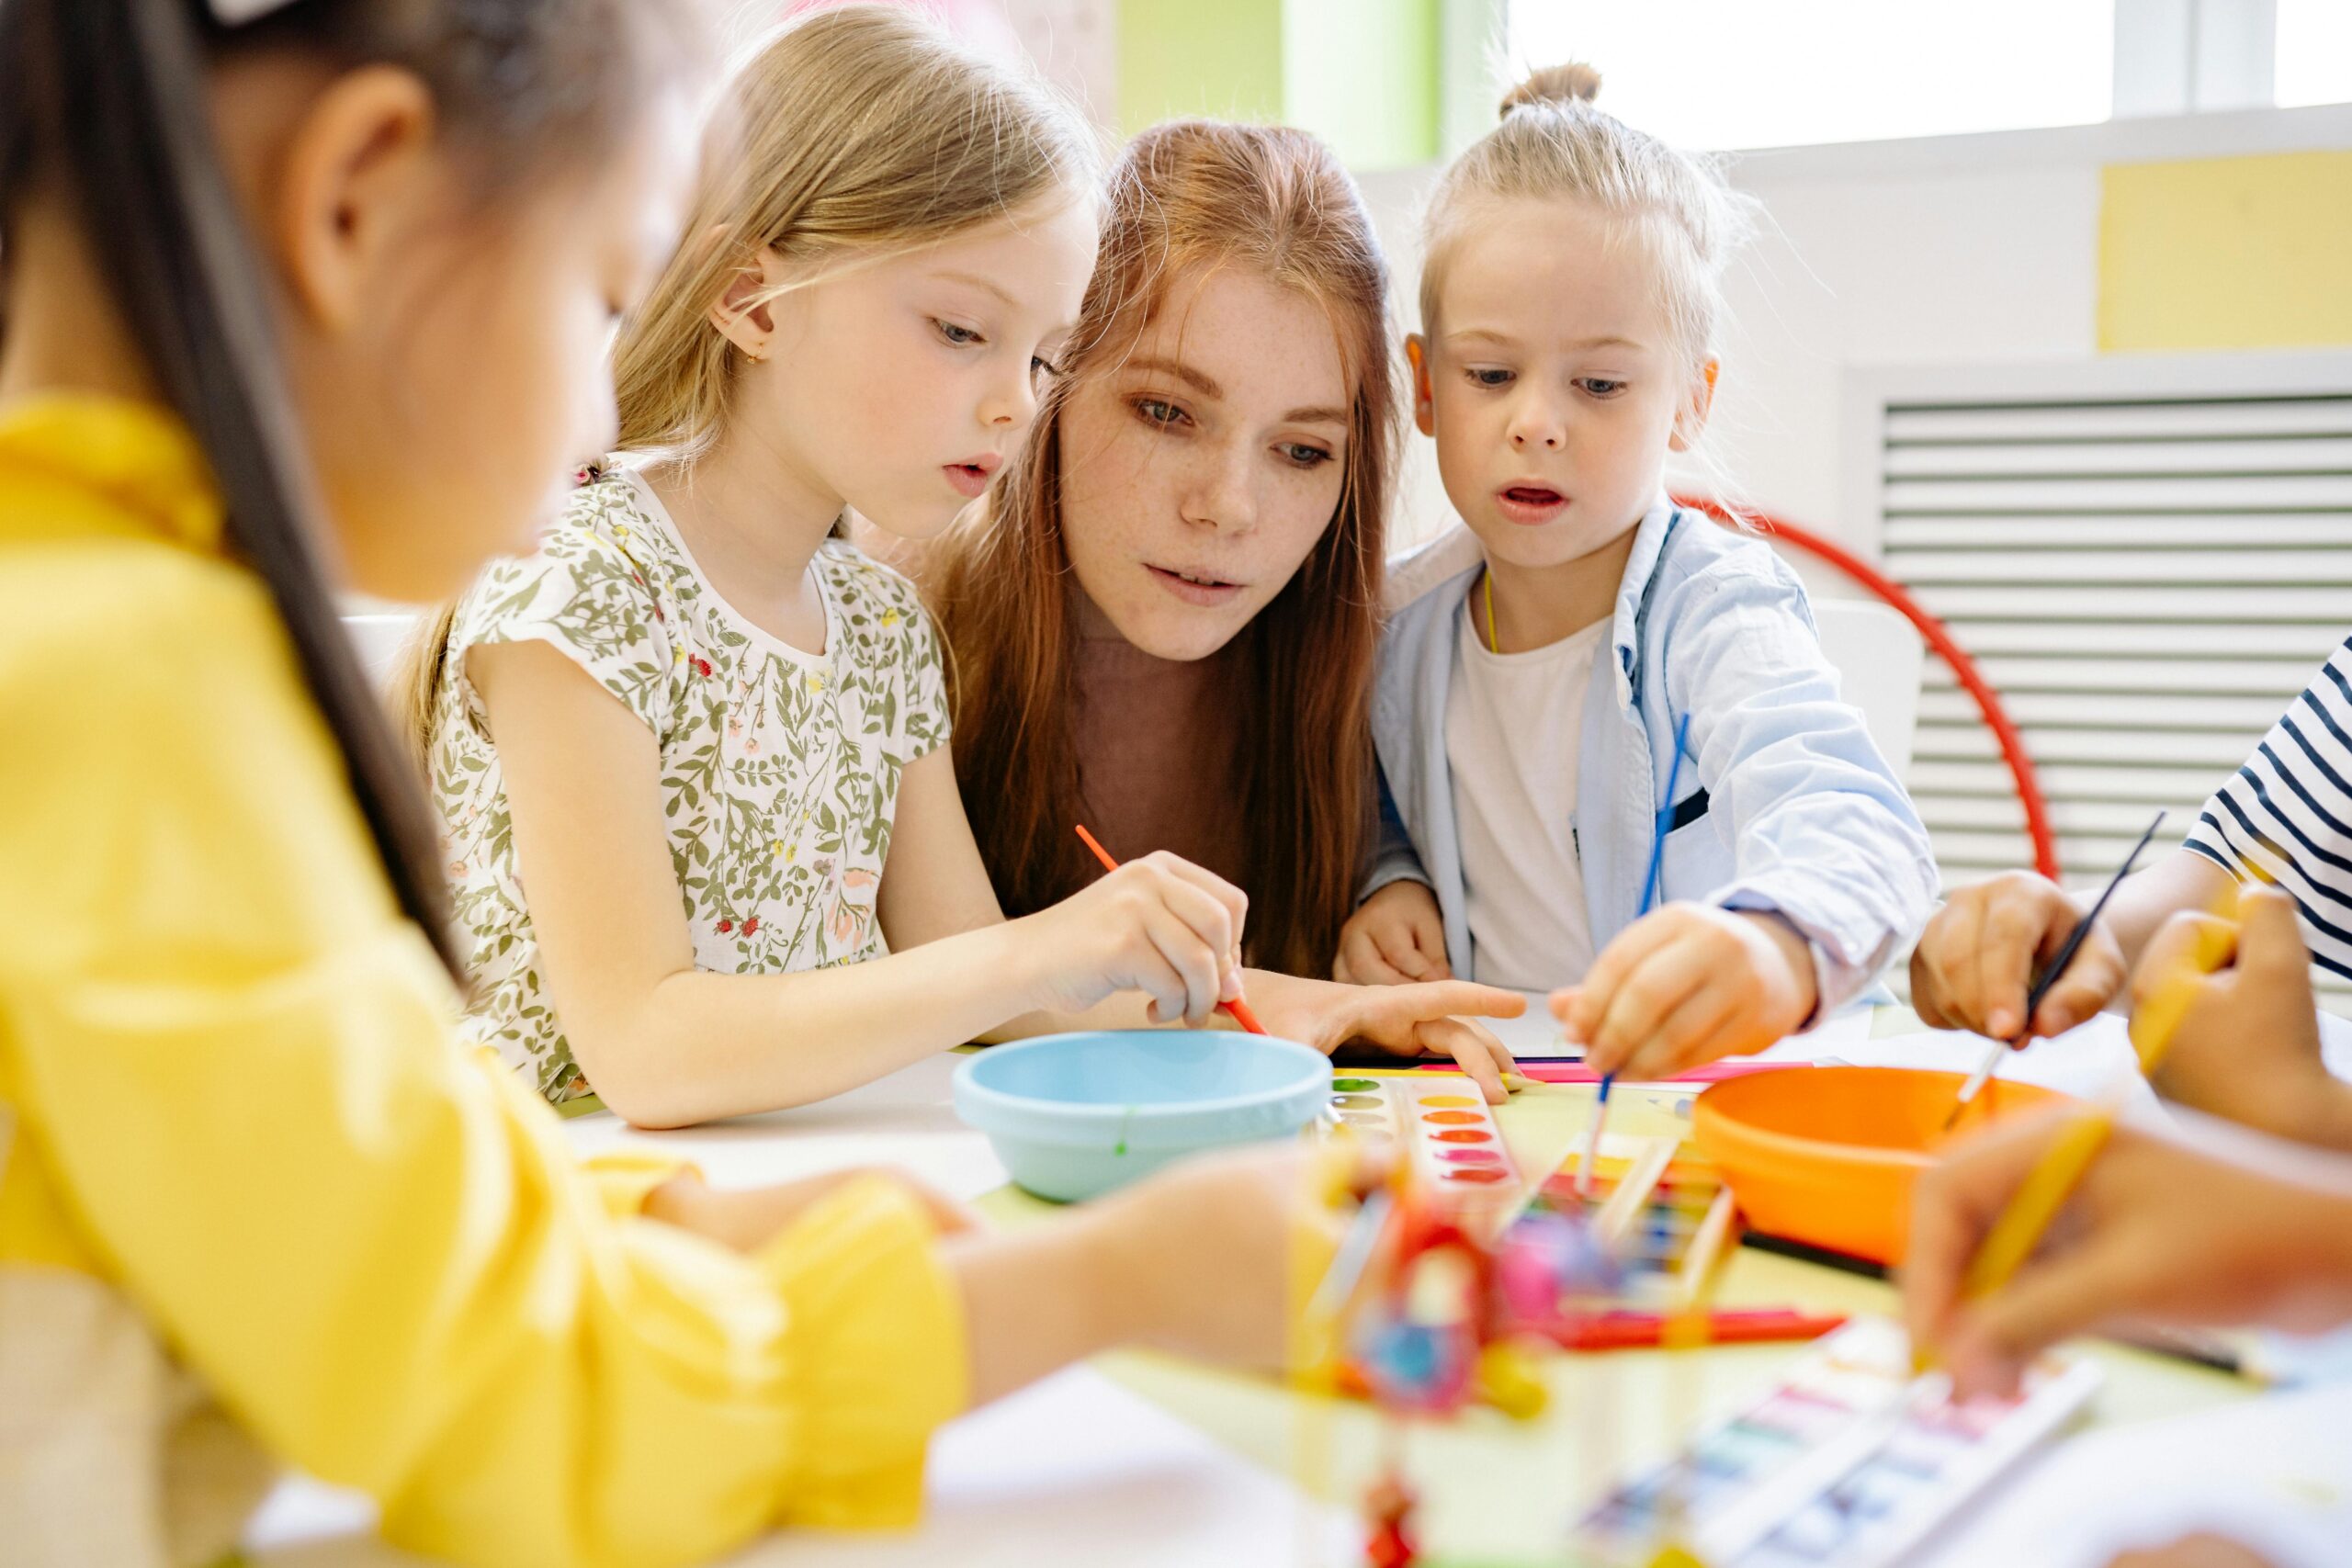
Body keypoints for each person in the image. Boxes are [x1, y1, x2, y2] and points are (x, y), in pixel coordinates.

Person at [0, 3, 1371, 1562]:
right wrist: (1101, 1284)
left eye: (1042, 354)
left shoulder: (112, 647)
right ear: (354, 198)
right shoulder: (129, 697)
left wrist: (660, 1219)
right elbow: (528, 1399)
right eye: (599, 295)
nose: (600, 407)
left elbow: (342, 1177)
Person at [1340, 64, 1934, 1081]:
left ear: (1687, 403)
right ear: (1426, 386)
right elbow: (1374, 799)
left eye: (1600, 383)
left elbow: (1859, 829)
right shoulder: (1394, 621)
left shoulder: (1716, 611)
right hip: (1505, 1086)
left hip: (1701, 1092)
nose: (1535, 421)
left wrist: (1772, 943)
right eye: (1490, 375)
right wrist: (1384, 881)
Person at [919, 118, 1531, 1100]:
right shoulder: (894, 627)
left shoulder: (1375, 670)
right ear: (1052, 382)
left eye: (1301, 451)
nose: (1228, 509)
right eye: (1166, 411)